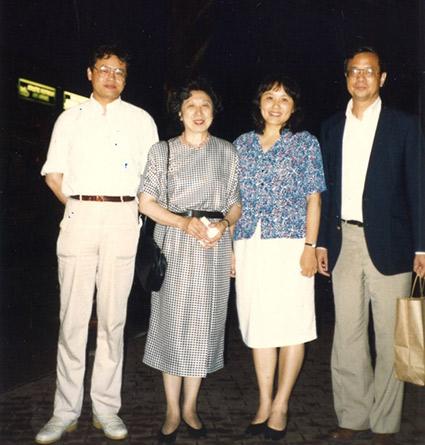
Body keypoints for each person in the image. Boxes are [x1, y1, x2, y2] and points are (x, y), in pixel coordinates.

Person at [35, 44, 159, 444]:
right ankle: (64, 411)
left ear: (126, 77)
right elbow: (54, 174)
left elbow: (152, 179)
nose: (112, 76)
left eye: (119, 71)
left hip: (124, 219)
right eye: (104, 69)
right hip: (80, 217)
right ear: (90, 73)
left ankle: (106, 409)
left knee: (112, 319)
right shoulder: (70, 118)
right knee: (72, 319)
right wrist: (78, 206)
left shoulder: (141, 120)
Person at [316, 46, 425, 445]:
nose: (360, 77)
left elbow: (418, 186)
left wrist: (422, 248)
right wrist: (322, 243)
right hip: (344, 240)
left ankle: (384, 423)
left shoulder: (404, 126)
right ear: (346, 78)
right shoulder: (331, 128)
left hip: (392, 245)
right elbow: (325, 192)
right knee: (347, 334)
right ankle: (353, 416)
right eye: (354, 71)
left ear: (382, 79)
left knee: (388, 335)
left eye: (369, 71)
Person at [138, 78, 241, 444]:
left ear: (214, 113)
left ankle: (191, 407)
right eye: (191, 106)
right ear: (179, 112)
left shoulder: (227, 151)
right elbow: (146, 202)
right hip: (175, 245)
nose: (199, 113)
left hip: (212, 248)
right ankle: (170, 409)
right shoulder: (161, 151)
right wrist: (184, 222)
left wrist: (225, 226)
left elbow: (235, 202)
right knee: (171, 325)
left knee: (204, 327)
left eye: (206, 106)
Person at [233, 76, 326, 441]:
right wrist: (229, 248)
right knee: (259, 327)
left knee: (292, 327)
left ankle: (281, 404)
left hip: (290, 246)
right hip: (249, 244)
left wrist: (309, 246)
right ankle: (263, 400)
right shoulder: (241, 145)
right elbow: (232, 202)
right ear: (259, 103)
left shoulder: (305, 145)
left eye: (284, 99)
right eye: (270, 97)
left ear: (293, 107)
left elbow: (313, 200)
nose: (276, 104)